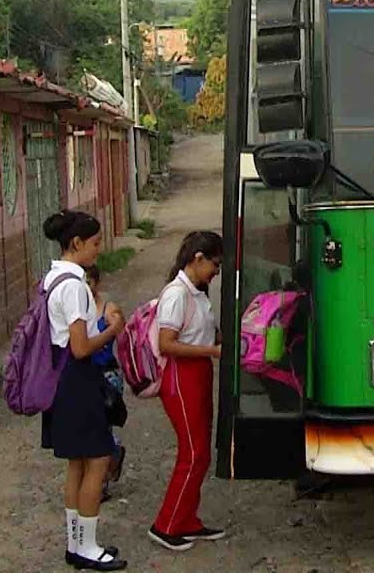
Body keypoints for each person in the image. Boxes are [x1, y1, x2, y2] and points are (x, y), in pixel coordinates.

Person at [41, 210, 128, 571]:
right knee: (97, 460)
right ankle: (87, 547)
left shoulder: (52, 278)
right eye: (95, 242)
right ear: (76, 243)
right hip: (78, 378)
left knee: (76, 463)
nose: (98, 248)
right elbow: (80, 347)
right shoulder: (75, 286)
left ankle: (76, 544)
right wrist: (112, 330)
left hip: (61, 379)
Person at [147, 231, 226, 552]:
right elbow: (167, 344)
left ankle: (187, 519)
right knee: (192, 453)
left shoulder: (197, 291)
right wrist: (211, 351)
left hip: (199, 372)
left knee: (201, 452)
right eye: (215, 264)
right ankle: (165, 525)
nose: (217, 271)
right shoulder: (177, 294)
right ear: (198, 258)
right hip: (182, 376)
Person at [84, 266, 127, 503]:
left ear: (97, 282)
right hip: (83, 375)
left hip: (107, 376)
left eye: (89, 282)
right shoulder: (76, 307)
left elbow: (123, 333)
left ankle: (100, 484)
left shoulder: (108, 309)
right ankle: (114, 452)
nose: (85, 287)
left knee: (100, 428)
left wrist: (115, 325)